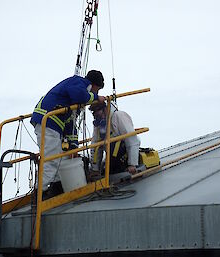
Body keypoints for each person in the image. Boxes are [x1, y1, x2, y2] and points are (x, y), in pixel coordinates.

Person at [31, 70, 105, 200]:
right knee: (51, 159)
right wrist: (95, 98)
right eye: (97, 90)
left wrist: (73, 146)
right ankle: (39, 194)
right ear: (93, 85)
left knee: (62, 159)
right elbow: (80, 95)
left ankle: (57, 187)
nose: (95, 93)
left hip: (51, 124)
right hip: (48, 122)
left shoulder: (72, 97)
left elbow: (70, 124)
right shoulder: (78, 83)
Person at [89, 102, 140, 176]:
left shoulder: (119, 116)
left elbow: (131, 139)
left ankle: (121, 168)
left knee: (114, 145)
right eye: (94, 111)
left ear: (105, 109)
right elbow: (95, 145)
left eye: (98, 110)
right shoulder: (99, 123)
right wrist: (95, 169)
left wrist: (132, 164)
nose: (96, 113)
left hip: (123, 152)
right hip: (111, 155)